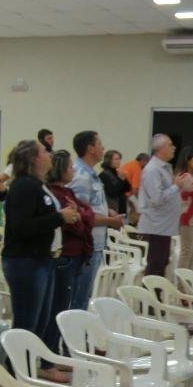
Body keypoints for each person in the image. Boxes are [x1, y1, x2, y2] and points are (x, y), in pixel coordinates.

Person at [3, 140, 78, 382]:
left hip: (40, 260)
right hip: (25, 261)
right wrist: (59, 217)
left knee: (41, 319)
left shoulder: (37, 185)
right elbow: (21, 227)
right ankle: (14, 374)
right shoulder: (24, 187)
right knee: (26, 321)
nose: (50, 154)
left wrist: (62, 215)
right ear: (34, 158)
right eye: (45, 151)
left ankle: (32, 368)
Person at [47, 150, 95, 363]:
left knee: (70, 304)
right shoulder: (55, 194)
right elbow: (73, 223)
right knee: (60, 307)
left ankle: (64, 351)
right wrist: (79, 215)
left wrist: (80, 214)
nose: (73, 170)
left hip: (78, 254)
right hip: (66, 255)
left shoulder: (67, 192)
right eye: (69, 167)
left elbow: (88, 214)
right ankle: (53, 353)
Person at [68, 131, 124, 309]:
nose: (103, 148)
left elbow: (92, 206)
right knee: (79, 298)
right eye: (100, 144)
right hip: (86, 244)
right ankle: (75, 334)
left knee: (85, 294)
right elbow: (82, 215)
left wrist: (108, 211)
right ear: (90, 149)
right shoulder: (81, 177)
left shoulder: (91, 173)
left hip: (95, 243)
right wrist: (109, 221)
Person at [138, 134, 193, 277]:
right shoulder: (153, 170)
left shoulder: (164, 168)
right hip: (156, 225)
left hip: (164, 226)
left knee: (162, 263)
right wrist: (176, 186)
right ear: (160, 149)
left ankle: (155, 295)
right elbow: (157, 198)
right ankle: (151, 297)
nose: (174, 148)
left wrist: (180, 186)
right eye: (170, 145)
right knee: (156, 264)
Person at [99, 150, 131, 216]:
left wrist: (124, 179)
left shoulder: (117, 173)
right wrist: (121, 179)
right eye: (116, 159)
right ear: (109, 160)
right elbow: (112, 192)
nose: (119, 161)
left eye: (119, 159)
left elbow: (128, 188)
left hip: (121, 208)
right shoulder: (104, 174)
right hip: (112, 209)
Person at [119, 152, 149, 223]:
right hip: (126, 193)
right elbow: (135, 190)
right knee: (139, 208)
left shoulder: (130, 164)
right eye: (147, 162)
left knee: (132, 208)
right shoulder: (137, 169)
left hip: (121, 193)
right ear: (143, 161)